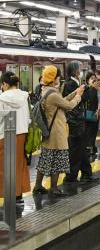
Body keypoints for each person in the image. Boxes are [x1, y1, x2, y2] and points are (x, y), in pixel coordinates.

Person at [33, 65, 84, 196]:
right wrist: (78, 97)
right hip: (56, 132)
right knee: (57, 159)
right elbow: (68, 105)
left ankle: (38, 186)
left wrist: (75, 92)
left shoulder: (46, 90)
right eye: (58, 76)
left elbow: (61, 101)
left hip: (49, 131)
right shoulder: (53, 94)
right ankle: (54, 188)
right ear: (53, 78)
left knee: (45, 159)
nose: (60, 79)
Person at [62, 61, 98, 183]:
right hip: (74, 121)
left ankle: (86, 173)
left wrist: (89, 88)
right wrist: (87, 89)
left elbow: (85, 98)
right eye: (80, 69)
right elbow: (75, 101)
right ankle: (71, 176)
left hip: (79, 120)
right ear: (75, 71)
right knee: (75, 149)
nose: (82, 71)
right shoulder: (70, 84)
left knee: (82, 148)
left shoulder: (76, 83)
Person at [0, 72, 31, 204]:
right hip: (21, 134)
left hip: (5, 134)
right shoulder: (25, 97)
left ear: (5, 84)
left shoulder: (3, 97)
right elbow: (28, 117)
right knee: (19, 166)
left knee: (4, 168)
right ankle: (18, 197)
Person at [84, 72, 100, 158]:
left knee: (93, 130)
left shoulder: (97, 88)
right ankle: (89, 147)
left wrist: (98, 109)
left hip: (94, 113)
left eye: (94, 78)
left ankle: (91, 147)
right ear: (87, 80)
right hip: (85, 113)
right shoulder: (85, 88)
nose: (93, 80)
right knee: (88, 131)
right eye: (91, 78)